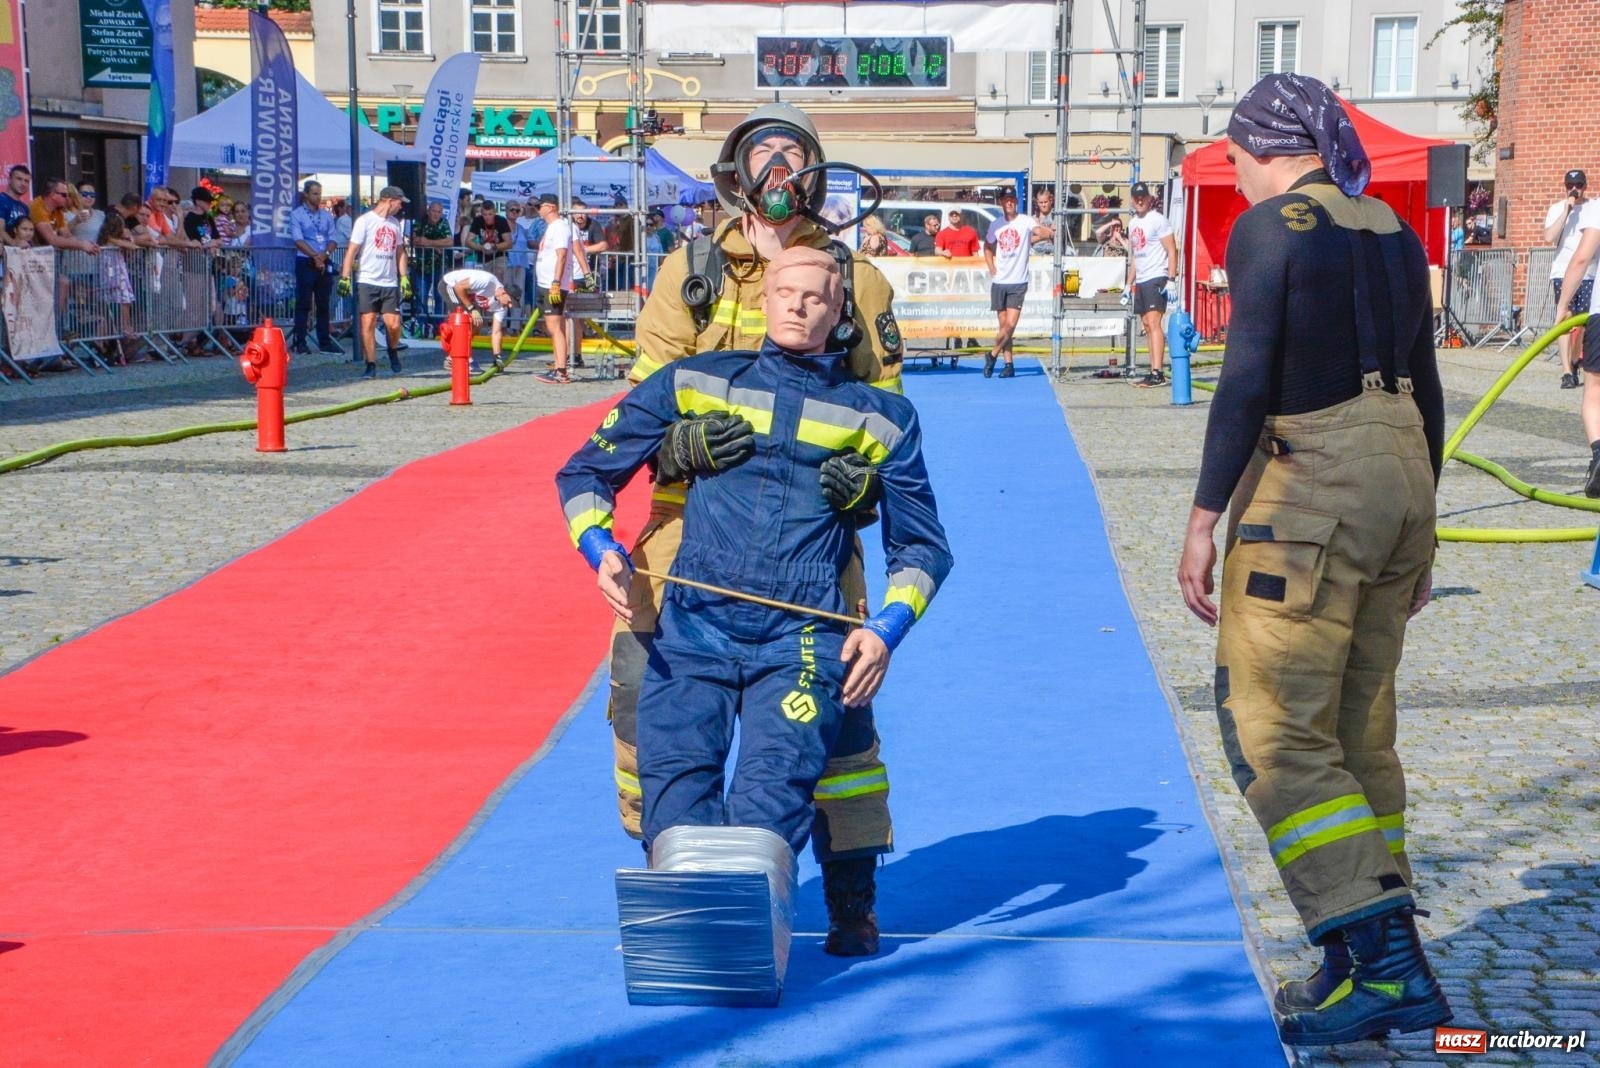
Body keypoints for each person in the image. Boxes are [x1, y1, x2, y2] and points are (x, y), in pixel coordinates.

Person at [1176, 74, 1450, 1048]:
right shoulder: (1390, 227)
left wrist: (1204, 517)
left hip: (1308, 497)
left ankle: (1385, 969)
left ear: (1260, 146)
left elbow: (1245, 374)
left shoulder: (1270, 229)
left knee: (1272, 732)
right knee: (1355, 733)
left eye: (1235, 153)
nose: (1235, 171)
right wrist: (1422, 523)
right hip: (1399, 482)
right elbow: (1424, 384)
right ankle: (1348, 961)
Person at [555, 246, 952, 872]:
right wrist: (600, 548)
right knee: (673, 811)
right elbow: (584, 472)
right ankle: (696, 956)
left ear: (840, 311)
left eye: (816, 296)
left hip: (802, 635)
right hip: (691, 626)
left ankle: (820, 918)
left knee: (768, 811)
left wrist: (885, 630)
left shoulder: (884, 417)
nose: (798, 304)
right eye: (785, 292)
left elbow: (925, 547)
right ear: (762, 301)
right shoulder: (695, 380)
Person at [621, 102, 906, 957]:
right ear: (733, 176)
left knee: (842, 733)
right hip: (684, 548)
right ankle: (687, 899)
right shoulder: (690, 272)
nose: (780, 174)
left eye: (796, 158)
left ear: (819, 176)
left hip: (811, 553)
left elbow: (890, 416)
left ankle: (850, 897)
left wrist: (864, 488)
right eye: (764, 157)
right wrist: (676, 445)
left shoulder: (856, 281)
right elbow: (637, 405)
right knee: (654, 723)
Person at [1552, 194, 1600, 498]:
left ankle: (1599, 455)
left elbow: (1582, 257)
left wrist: (1563, 305)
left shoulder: (1597, 209)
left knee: (1594, 388)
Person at [339, 185, 412, 379]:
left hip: (389, 281)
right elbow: (352, 250)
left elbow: (400, 252)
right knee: (368, 321)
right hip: (368, 279)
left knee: (393, 323)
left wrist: (404, 277)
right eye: (399, 203)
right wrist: (345, 277)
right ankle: (370, 363)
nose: (400, 207)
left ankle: (392, 349)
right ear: (389, 200)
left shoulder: (395, 223)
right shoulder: (365, 221)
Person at [982, 187, 1051, 379]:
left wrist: (1046, 229)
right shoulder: (996, 225)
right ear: (1001, 202)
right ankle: (1008, 363)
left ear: (1016, 202)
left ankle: (992, 354)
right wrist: (991, 267)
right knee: (1004, 325)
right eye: (1006, 199)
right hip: (1000, 281)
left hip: (1018, 281)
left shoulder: (1026, 221)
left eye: (1012, 199)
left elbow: (1039, 231)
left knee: (1011, 324)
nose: (1009, 202)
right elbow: (987, 246)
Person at [1124, 181, 1180, 387]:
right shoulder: (1132, 224)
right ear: (1132, 199)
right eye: (1136, 198)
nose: (1139, 200)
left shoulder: (1157, 220)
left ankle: (1158, 372)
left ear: (1149, 199)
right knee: (1146, 325)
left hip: (1157, 276)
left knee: (1154, 323)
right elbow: (1135, 258)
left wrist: (1171, 279)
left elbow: (1172, 249)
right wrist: (1128, 285)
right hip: (1142, 278)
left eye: (1143, 197)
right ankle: (1152, 370)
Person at [1544, 168, 1594, 390]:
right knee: (1564, 318)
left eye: (1579, 185)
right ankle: (1566, 370)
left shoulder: (1593, 208)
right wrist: (1566, 211)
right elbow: (1549, 237)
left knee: (1582, 321)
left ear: (1585, 186)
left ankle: (1575, 359)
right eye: (1570, 186)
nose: (1575, 190)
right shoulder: (1558, 208)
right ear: (1565, 187)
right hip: (1562, 271)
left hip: (1589, 272)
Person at [290, 180, 342, 356]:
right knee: (303, 303)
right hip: (305, 262)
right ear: (306, 194)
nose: (318, 197)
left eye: (320, 193)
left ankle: (324, 342)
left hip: (323, 260)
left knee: (323, 303)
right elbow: (298, 239)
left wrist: (324, 256)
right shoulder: (297, 214)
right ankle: (300, 342)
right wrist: (314, 256)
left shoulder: (326, 215)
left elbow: (333, 238)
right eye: (314, 193)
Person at [439, 266, 514, 372]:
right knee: (465, 320)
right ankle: (458, 359)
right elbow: (458, 287)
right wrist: (471, 308)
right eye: (510, 301)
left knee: (477, 323)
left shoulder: (502, 306)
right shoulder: (487, 282)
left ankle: (454, 357)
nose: (510, 306)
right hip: (450, 285)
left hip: (464, 292)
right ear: (503, 293)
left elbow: (496, 332)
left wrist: (498, 358)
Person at [568, 199, 609, 367]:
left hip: (586, 276)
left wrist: (582, 250)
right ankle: (570, 354)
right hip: (570, 276)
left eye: (583, 213)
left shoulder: (593, 226)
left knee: (577, 318)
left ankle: (575, 354)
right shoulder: (567, 226)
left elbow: (604, 244)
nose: (580, 216)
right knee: (570, 319)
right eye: (577, 213)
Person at [412, 200, 455, 330]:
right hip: (421, 266)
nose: (436, 214)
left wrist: (429, 243)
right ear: (428, 211)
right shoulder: (420, 221)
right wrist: (436, 245)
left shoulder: (444, 223)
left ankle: (439, 328)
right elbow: (414, 239)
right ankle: (421, 326)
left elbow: (449, 242)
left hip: (439, 266)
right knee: (421, 297)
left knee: (440, 297)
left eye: (439, 212)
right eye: (434, 211)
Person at [468, 200, 513, 278]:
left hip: (499, 255)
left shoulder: (501, 221)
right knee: (483, 282)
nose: (487, 217)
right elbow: (468, 241)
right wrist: (481, 247)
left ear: (495, 212)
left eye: (490, 214)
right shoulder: (477, 220)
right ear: (481, 213)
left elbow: (509, 243)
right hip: (483, 257)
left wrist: (495, 247)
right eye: (485, 214)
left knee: (498, 275)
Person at [0, 164, 30, 230]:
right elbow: (0, 232)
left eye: (26, 181)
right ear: (9, 180)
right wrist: (14, 241)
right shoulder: (1, 200)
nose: (23, 184)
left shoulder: (25, 208)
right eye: (19, 179)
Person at [1030, 187, 1056, 255]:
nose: (1043, 205)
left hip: (1053, 252)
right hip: (1036, 253)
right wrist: (1046, 234)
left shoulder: (1056, 216)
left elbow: (1055, 236)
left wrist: (1039, 226)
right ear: (1037, 203)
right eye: (1041, 202)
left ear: (1050, 201)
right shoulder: (1033, 218)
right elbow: (1029, 239)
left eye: (1045, 202)